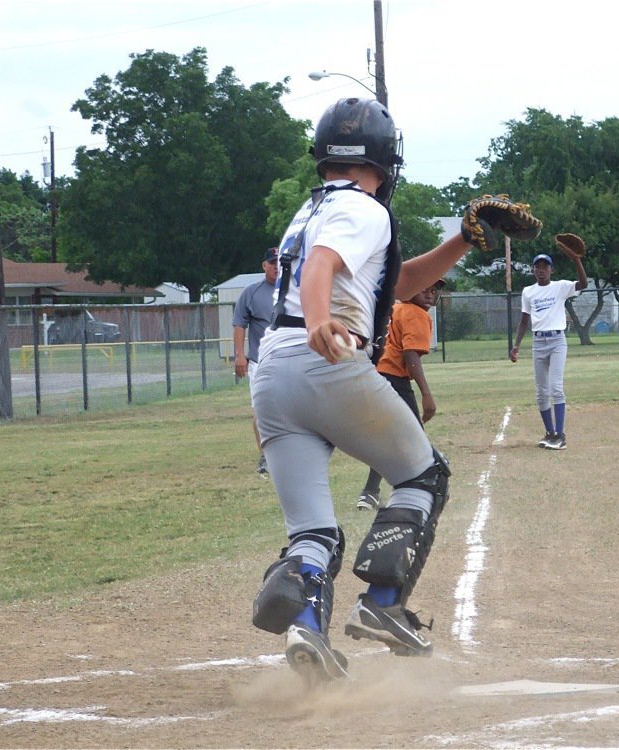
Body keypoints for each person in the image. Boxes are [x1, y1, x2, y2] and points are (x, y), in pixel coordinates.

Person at [250, 97, 486, 684]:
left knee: (312, 531)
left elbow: (396, 283)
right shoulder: (364, 207)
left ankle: (308, 624)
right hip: (325, 359)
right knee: (424, 475)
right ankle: (381, 602)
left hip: (271, 373)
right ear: (384, 158)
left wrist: (460, 239)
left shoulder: (313, 209)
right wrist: (317, 322)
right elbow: (321, 269)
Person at [356, 279, 446, 511]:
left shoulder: (396, 308)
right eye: (424, 287)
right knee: (414, 433)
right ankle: (427, 485)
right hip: (393, 378)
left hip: (375, 375)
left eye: (433, 290)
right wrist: (426, 394)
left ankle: (370, 493)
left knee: (390, 436)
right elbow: (410, 355)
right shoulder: (415, 313)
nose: (429, 293)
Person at [509, 243, 588, 450]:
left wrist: (577, 260)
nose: (541, 270)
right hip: (538, 342)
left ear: (551, 270)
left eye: (545, 266)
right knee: (541, 392)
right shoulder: (528, 292)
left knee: (556, 388)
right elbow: (524, 320)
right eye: (538, 267)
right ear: (533, 270)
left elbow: (583, 283)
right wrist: (516, 346)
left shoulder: (560, 287)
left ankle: (560, 436)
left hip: (557, 341)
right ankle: (549, 433)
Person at [232, 247, 279, 475]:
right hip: (260, 361)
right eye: (272, 263)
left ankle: (286, 455)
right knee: (260, 409)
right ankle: (265, 455)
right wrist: (240, 355)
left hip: (286, 359)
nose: (276, 266)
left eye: (280, 262)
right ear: (264, 266)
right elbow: (239, 323)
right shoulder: (251, 292)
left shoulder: (292, 291)